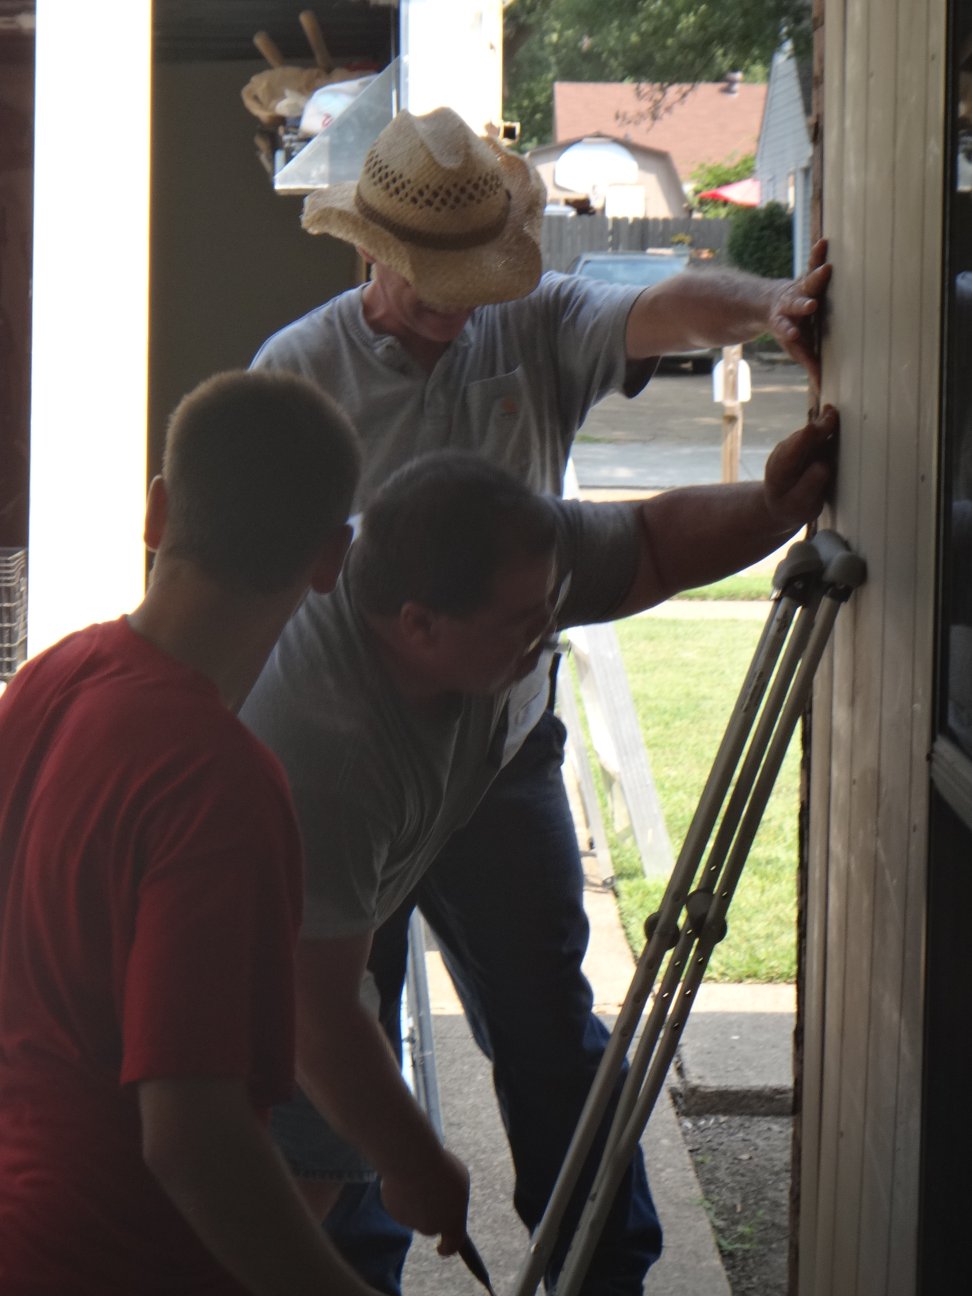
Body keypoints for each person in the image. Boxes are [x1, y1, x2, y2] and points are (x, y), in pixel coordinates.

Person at [250, 105, 833, 1293]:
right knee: (338, 1042)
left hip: (499, 760)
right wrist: (414, 1162)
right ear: (370, 248)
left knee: (548, 1029)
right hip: (347, 778)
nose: (455, 306)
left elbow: (657, 367)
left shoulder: (529, 321)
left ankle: (600, 1271)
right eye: (432, 281)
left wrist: (771, 307)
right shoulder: (296, 375)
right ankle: (352, 1274)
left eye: (475, 278)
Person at [0, 369, 393, 1296]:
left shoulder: (51, 676)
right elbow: (192, 1137)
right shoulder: (221, 782)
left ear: (157, 512)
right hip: (115, 1256)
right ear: (332, 560)